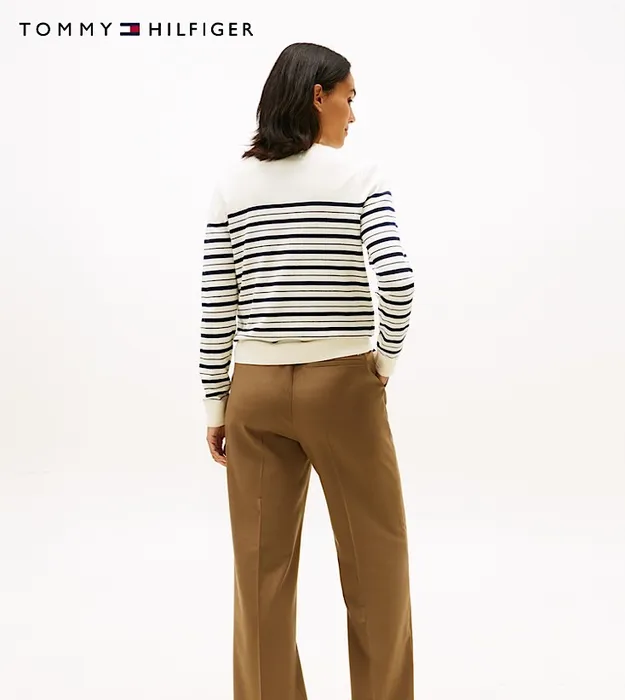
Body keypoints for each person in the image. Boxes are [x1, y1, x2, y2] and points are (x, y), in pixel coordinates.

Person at [199, 41, 415, 700]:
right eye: (348, 98)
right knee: (376, 567)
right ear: (317, 96)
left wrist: (215, 406)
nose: (353, 114)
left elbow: (217, 304)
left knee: (260, 577)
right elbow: (397, 280)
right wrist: (383, 360)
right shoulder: (359, 177)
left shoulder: (232, 185)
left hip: (254, 393)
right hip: (342, 386)